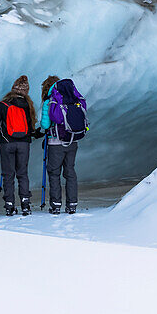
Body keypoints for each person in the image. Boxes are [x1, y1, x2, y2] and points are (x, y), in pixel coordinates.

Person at [0, 75, 40, 216]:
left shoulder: (4, 104)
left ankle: (9, 205)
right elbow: (31, 127)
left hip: (6, 143)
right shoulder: (28, 106)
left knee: (8, 175)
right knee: (22, 174)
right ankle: (25, 204)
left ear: (13, 89)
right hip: (24, 144)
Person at [39, 76, 89, 214]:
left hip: (56, 143)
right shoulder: (73, 98)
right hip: (73, 140)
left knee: (54, 173)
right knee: (70, 172)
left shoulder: (50, 101)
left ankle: (56, 205)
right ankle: (72, 204)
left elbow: (45, 124)